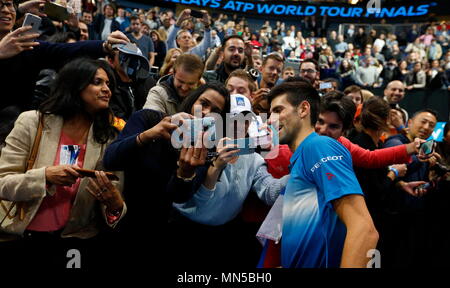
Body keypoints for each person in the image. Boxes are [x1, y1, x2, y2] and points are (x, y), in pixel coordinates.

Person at [0, 58, 126, 266]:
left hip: (75, 241)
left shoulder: (109, 137)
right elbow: (3, 183)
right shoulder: (32, 122)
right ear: (74, 84)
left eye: (108, 84)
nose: (107, 90)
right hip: (22, 234)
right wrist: (45, 177)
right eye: (97, 82)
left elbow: (114, 201)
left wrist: (115, 204)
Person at [102, 83, 230, 265]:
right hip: (125, 221)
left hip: (166, 235)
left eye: (215, 111)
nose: (206, 112)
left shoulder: (206, 149)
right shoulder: (149, 119)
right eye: (204, 102)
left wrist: (185, 173)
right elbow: (111, 159)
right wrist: (149, 135)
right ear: (193, 100)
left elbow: (179, 197)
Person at [266, 81, 379, 267]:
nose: (270, 120)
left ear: (303, 109)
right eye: (270, 113)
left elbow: (364, 229)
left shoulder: (319, 146)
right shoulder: (302, 157)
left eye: (278, 110)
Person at [383, 109, 439, 268]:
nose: (426, 127)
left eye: (431, 125)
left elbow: (423, 179)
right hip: (394, 217)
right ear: (410, 123)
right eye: (423, 122)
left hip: (414, 216)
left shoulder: (426, 148)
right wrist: (425, 159)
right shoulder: (395, 142)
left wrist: (431, 183)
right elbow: (401, 166)